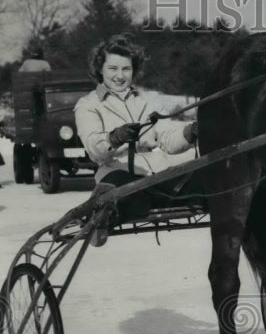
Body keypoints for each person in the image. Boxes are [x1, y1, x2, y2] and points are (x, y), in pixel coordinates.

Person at [74, 34, 199, 245]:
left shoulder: (148, 100)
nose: (120, 76)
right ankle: (102, 213)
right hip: (118, 174)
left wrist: (191, 132)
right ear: (100, 69)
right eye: (113, 69)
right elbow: (94, 148)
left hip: (157, 176)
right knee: (124, 188)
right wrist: (114, 137)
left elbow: (168, 139)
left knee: (205, 178)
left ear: (134, 70)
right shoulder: (88, 104)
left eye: (126, 69)